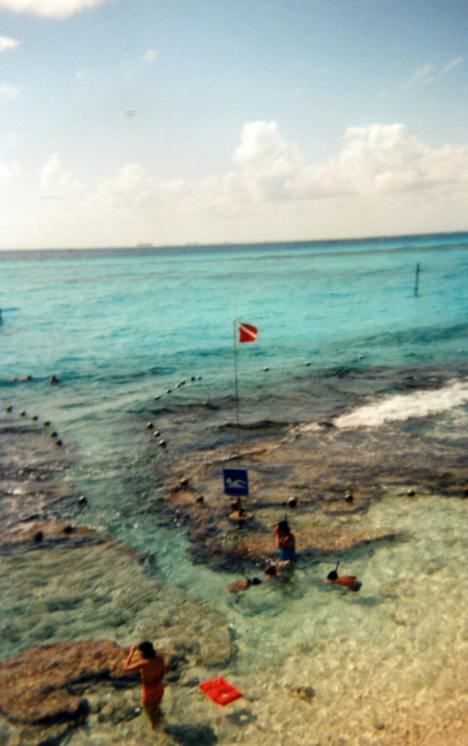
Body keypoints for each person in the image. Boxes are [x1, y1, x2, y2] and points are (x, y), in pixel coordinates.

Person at [124, 641, 166, 729]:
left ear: (143, 652)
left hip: (148, 690)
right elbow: (162, 670)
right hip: (159, 687)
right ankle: (163, 725)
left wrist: (131, 652)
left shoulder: (143, 664)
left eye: (140, 651)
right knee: (156, 707)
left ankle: (157, 731)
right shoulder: (160, 658)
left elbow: (126, 668)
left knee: (149, 712)